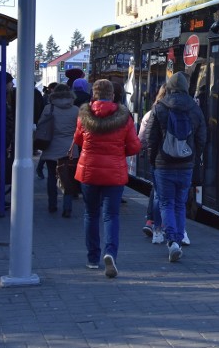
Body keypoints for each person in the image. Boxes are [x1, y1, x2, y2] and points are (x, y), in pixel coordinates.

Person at [73, 79, 141, 278]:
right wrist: (119, 152)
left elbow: (78, 140)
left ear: (94, 95)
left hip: (89, 173)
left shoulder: (83, 116)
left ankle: (92, 259)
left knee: (91, 214)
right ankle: (110, 253)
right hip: (114, 173)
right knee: (111, 216)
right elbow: (135, 146)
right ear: (112, 95)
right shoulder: (124, 118)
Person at [145, 72, 205, 262]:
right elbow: (202, 137)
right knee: (180, 204)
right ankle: (178, 240)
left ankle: (172, 241)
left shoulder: (160, 107)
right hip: (186, 165)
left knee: (166, 203)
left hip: (163, 165)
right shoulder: (195, 109)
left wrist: (153, 159)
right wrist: (193, 156)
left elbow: (151, 137)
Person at [35, 84, 80, 216]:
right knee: (68, 179)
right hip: (70, 149)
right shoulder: (76, 110)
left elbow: (41, 126)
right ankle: (67, 207)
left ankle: (52, 205)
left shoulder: (49, 108)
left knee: (51, 177)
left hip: (51, 148)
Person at [138, 85, 166, 244]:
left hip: (157, 160)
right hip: (181, 160)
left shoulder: (151, 113)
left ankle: (152, 223)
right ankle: (178, 231)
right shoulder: (186, 111)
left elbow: (141, 139)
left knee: (157, 192)